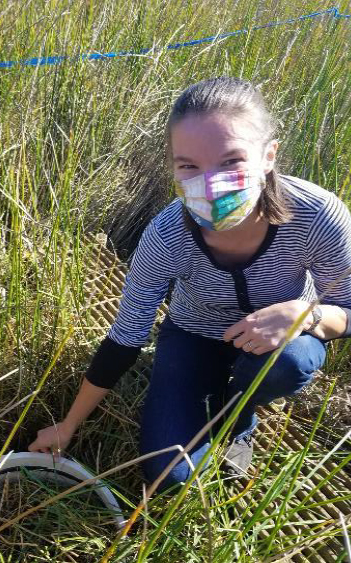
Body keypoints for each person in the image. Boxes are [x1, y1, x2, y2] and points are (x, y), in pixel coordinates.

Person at [28, 76, 351, 493]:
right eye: (190, 167)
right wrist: (68, 425)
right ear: (173, 168)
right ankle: (208, 388)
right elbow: (126, 336)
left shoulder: (317, 215)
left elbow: (348, 307)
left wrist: (307, 314)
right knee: (168, 477)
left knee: (290, 362)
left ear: (268, 155)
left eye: (232, 161)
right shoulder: (166, 235)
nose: (212, 185)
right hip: (193, 332)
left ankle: (239, 418)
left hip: (279, 339)